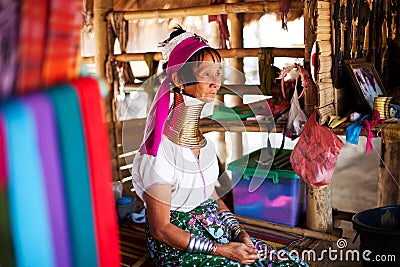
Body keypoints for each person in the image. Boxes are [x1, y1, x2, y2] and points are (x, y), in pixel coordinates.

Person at [131, 26, 308, 267]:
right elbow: (161, 229)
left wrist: (240, 234)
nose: (216, 82)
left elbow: (211, 198)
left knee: (291, 263)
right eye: (207, 74)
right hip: (178, 248)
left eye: (218, 73)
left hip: (217, 232)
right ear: (179, 80)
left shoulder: (202, 146)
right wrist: (223, 251)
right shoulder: (160, 152)